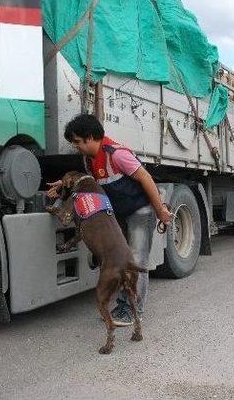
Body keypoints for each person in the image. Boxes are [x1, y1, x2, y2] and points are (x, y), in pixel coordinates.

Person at [47, 115, 173, 326]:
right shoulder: (89, 160)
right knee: (120, 260)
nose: (76, 147)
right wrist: (63, 183)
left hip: (140, 211)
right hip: (120, 213)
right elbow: (88, 181)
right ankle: (124, 304)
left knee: (135, 260)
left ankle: (133, 310)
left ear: (90, 137)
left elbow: (146, 178)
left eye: (78, 142)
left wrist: (160, 210)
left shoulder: (117, 154)